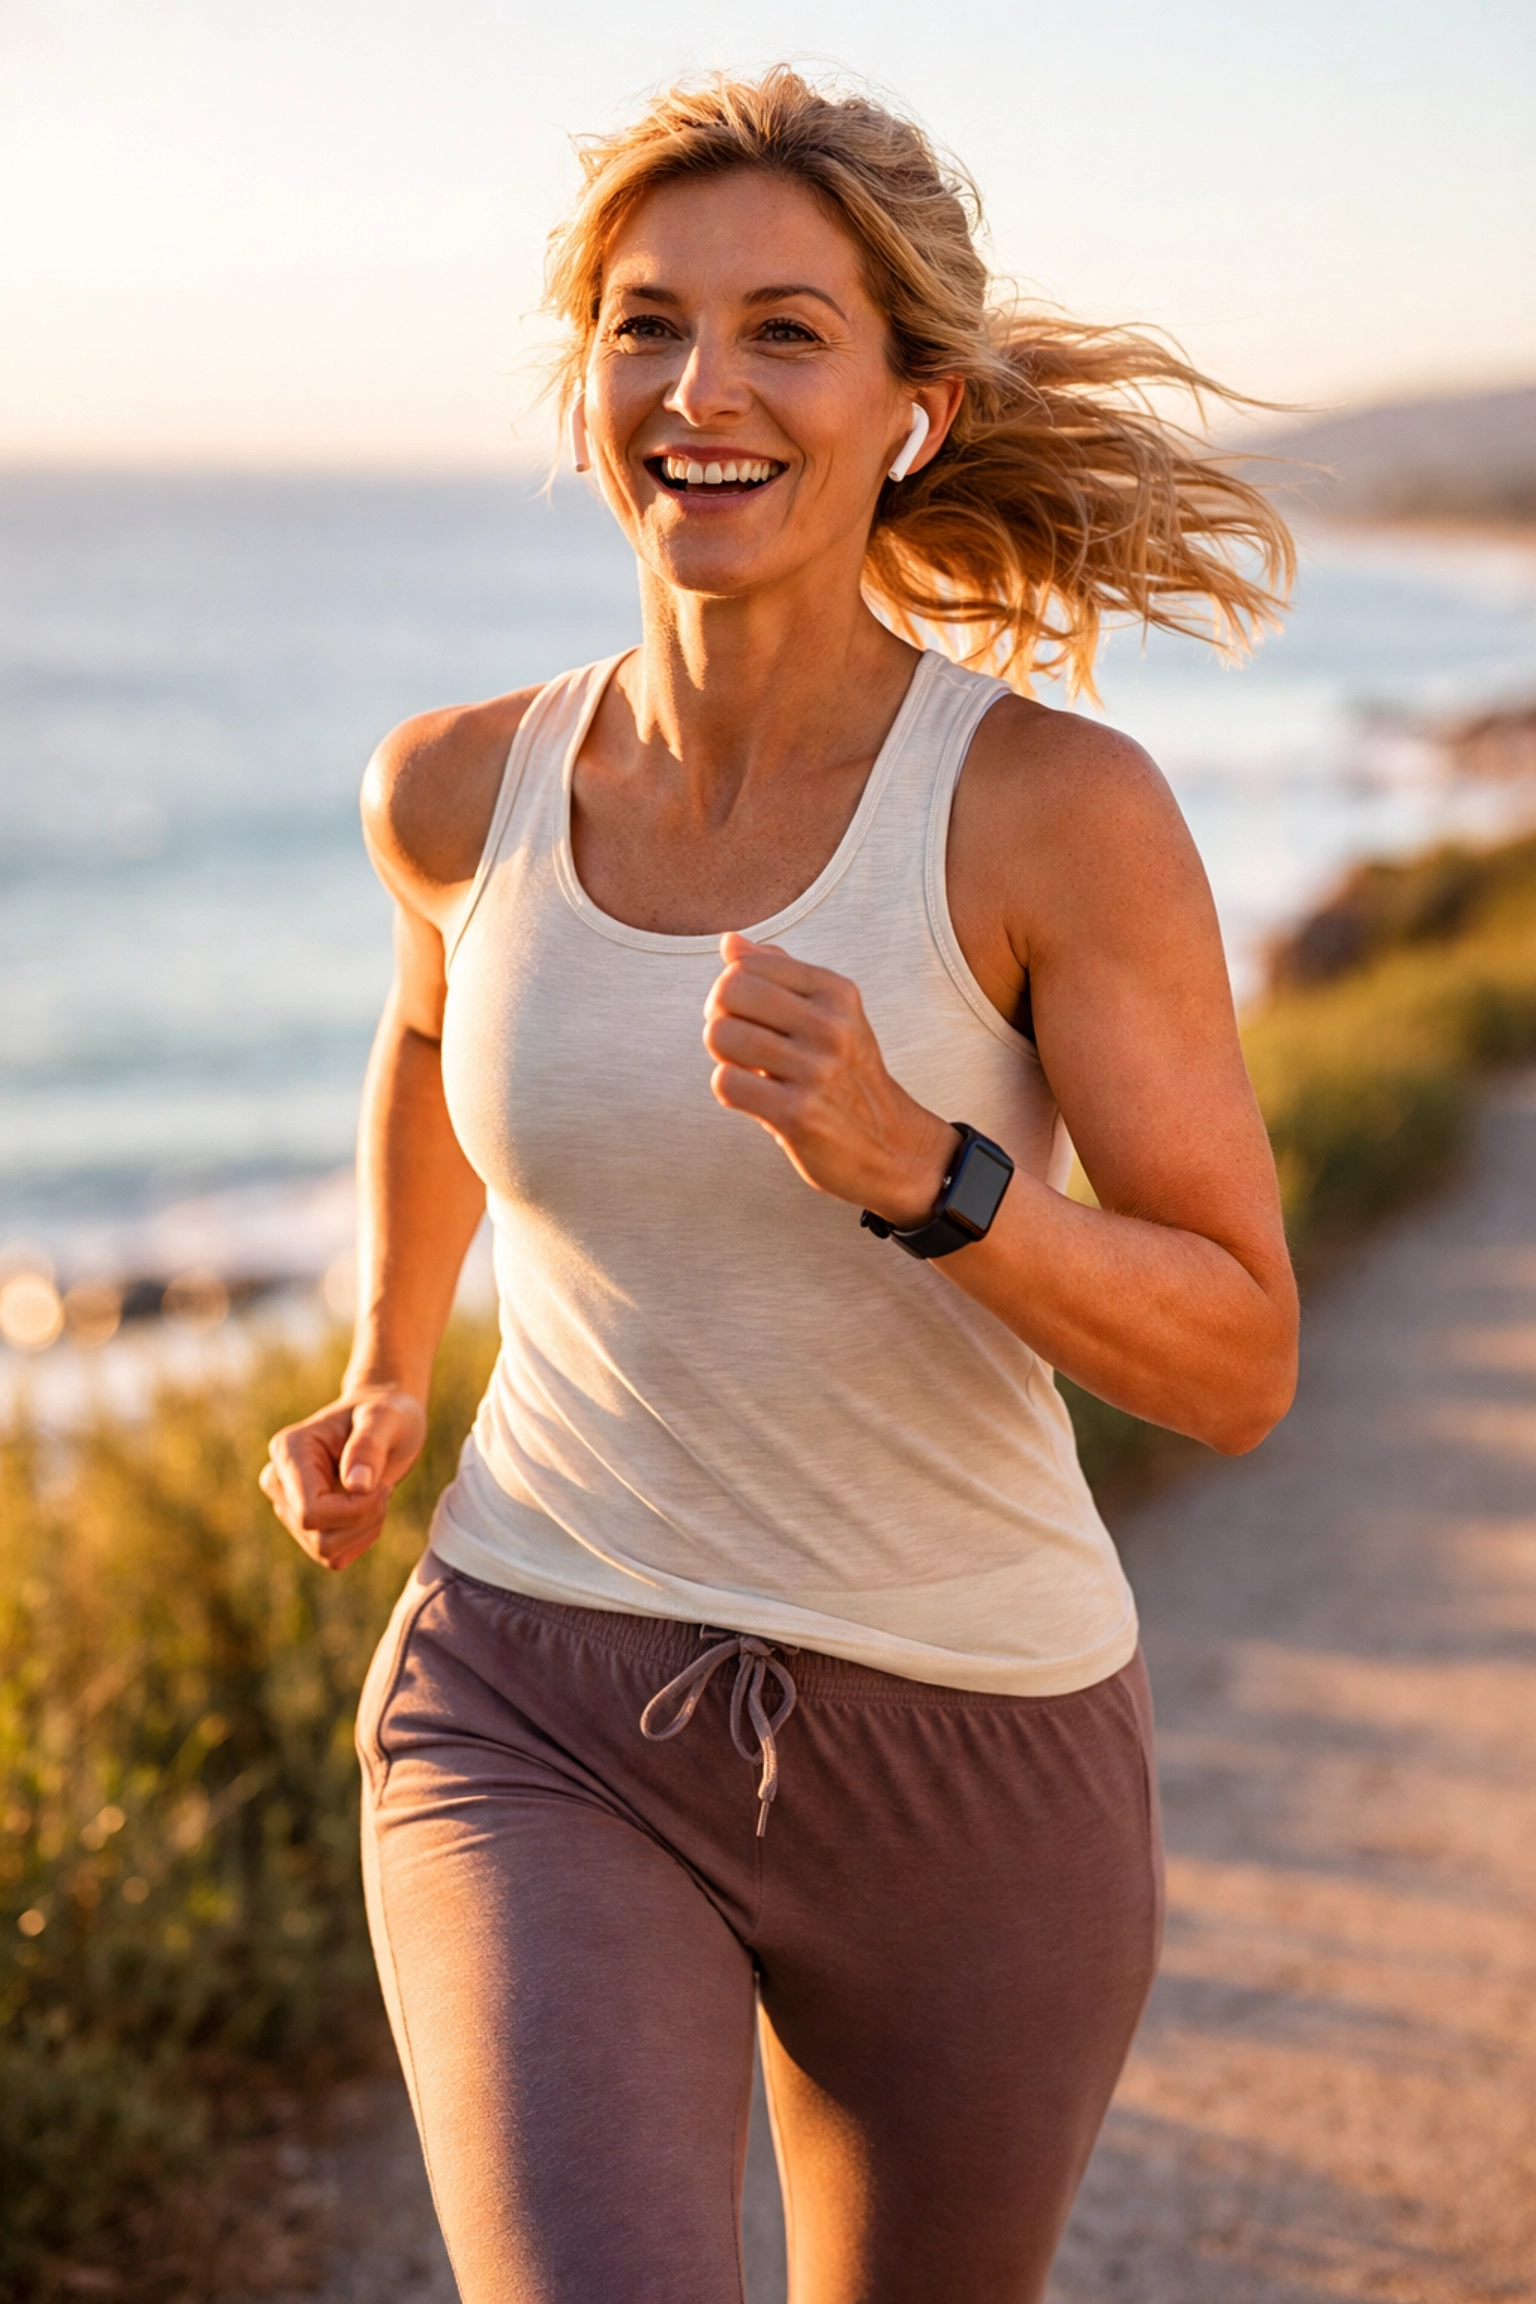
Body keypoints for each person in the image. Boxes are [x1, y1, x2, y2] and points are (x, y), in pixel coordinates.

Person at [261, 65, 1298, 2304]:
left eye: (784, 333)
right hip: (536, 1682)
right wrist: (386, 1361)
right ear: (588, 387)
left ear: (914, 412)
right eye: (645, 325)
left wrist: (923, 1168)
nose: (699, 391)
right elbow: (436, 1030)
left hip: (973, 1742)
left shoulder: (1052, 815)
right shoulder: (452, 788)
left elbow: (1237, 1359)